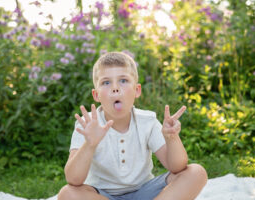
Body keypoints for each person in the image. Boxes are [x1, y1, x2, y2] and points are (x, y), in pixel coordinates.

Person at [58, 52, 207, 200]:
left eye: (123, 80)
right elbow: (73, 179)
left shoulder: (148, 121)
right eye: (106, 82)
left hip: (145, 192)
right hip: (103, 195)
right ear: (96, 95)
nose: (115, 88)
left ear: (137, 90)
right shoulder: (88, 124)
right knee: (67, 194)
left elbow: (177, 167)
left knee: (196, 172)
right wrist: (90, 144)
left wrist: (172, 137)